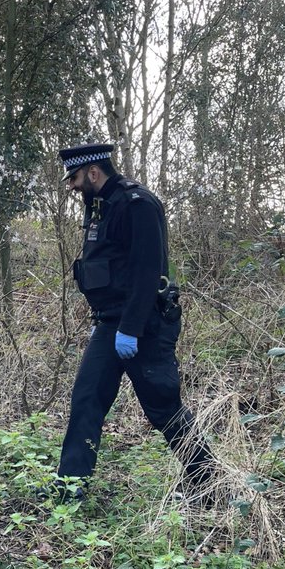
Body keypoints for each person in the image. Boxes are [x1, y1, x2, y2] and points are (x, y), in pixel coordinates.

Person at [56, 142, 217, 500]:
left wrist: (129, 330)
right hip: (110, 324)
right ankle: (70, 491)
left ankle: (211, 483)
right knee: (86, 400)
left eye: (76, 178)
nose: (72, 186)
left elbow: (148, 273)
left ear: (94, 172)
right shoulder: (99, 206)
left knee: (163, 408)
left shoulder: (138, 204)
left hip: (144, 326)